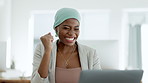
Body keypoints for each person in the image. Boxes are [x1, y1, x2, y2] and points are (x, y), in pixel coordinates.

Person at [31, 8, 101, 83]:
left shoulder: (91, 53)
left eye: (76, 29)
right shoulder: (42, 49)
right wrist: (47, 51)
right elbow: (36, 82)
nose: (71, 33)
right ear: (56, 29)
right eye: (66, 28)